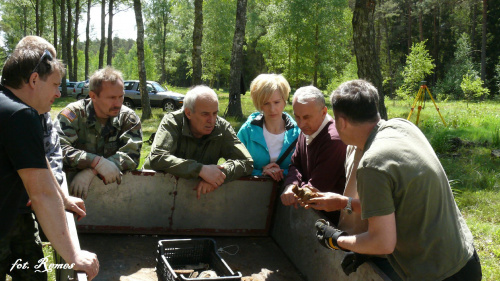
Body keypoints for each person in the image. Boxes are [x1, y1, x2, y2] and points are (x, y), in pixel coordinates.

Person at [315, 79, 481, 281]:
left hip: (439, 275)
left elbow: (383, 242)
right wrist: (346, 204)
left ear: (341, 122)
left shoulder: (372, 164)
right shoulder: (402, 126)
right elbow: (400, 204)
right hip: (465, 258)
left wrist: (336, 239)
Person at [0, 36, 99, 280]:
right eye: (55, 84)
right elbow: (40, 194)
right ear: (34, 79)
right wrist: (74, 256)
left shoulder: (7, 105)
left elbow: (37, 160)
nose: (58, 93)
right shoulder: (21, 116)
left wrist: (62, 196)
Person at [143, 85, 253, 199]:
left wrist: (219, 174)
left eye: (215, 113)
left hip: (194, 197)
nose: (211, 120)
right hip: (154, 191)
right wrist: (200, 170)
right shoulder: (172, 122)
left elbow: (247, 162)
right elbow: (157, 157)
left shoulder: (222, 128)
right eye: (205, 114)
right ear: (188, 113)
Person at [56, 67, 143, 199]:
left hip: (113, 196)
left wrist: (92, 170)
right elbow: (59, 150)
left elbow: (132, 155)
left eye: (121, 96)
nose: (118, 103)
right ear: (93, 96)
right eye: (112, 98)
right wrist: (95, 161)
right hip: (69, 192)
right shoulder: (73, 115)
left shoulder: (127, 118)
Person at [281, 86, 347, 225]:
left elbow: (316, 189)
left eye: (306, 117)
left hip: (332, 222)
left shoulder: (333, 141)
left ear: (323, 112)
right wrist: (290, 186)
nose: (300, 123)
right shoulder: (308, 129)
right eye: (297, 117)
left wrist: (295, 193)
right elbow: (295, 164)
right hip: (314, 216)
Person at [237, 74, 300, 181]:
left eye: (276, 102)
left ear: (284, 100)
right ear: (258, 103)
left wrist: (280, 173)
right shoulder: (247, 131)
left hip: (288, 193)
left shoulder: (298, 133)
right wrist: (261, 173)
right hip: (250, 192)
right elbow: (236, 164)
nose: (272, 109)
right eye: (266, 103)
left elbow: (303, 168)